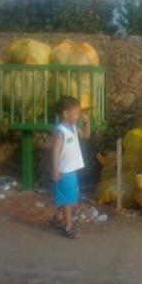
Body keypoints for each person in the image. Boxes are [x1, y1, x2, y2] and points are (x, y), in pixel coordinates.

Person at [51, 96, 91, 238]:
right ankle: (68, 228)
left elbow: (86, 135)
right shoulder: (61, 131)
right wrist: (55, 170)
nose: (78, 116)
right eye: (76, 113)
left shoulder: (73, 128)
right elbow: (55, 151)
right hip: (64, 171)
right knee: (69, 201)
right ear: (66, 113)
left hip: (71, 170)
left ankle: (57, 217)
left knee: (68, 196)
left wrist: (87, 123)